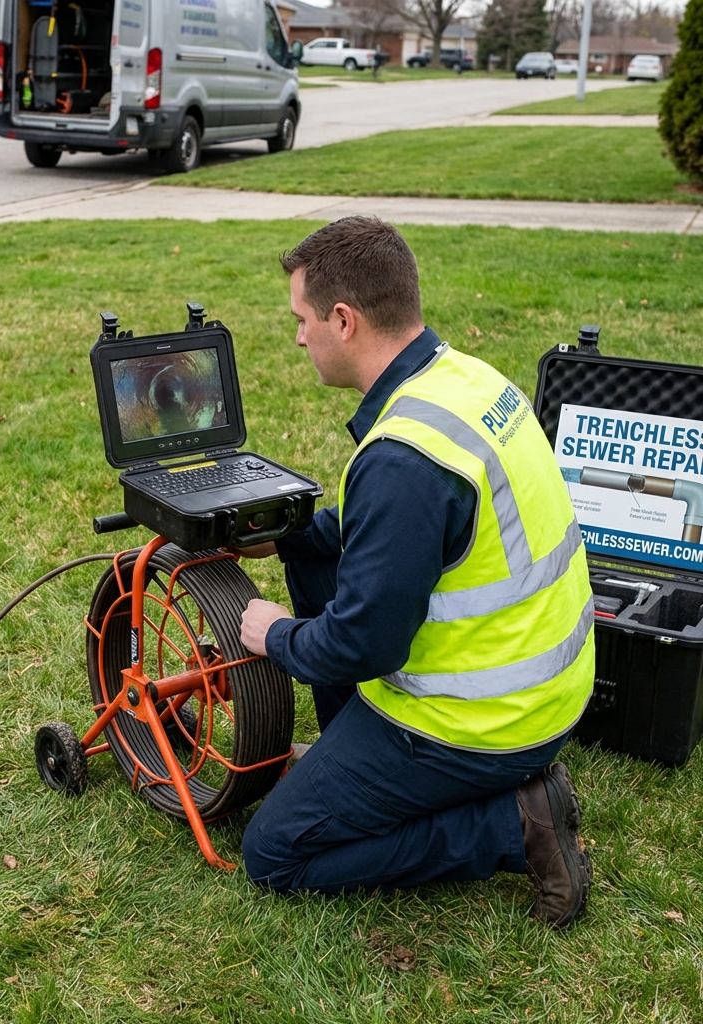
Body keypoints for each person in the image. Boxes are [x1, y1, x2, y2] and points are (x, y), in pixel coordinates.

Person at [237, 217, 594, 929]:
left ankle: (513, 823)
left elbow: (363, 646)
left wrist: (275, 635)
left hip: (483, 722)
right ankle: (359, 756)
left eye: (302, 320)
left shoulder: (403, 459)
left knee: (275, 853)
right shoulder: (465, 380)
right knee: (315, 552)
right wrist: (297, 535)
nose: (298, 337)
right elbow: (411, 535)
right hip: (550, 690)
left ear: (344, 320)